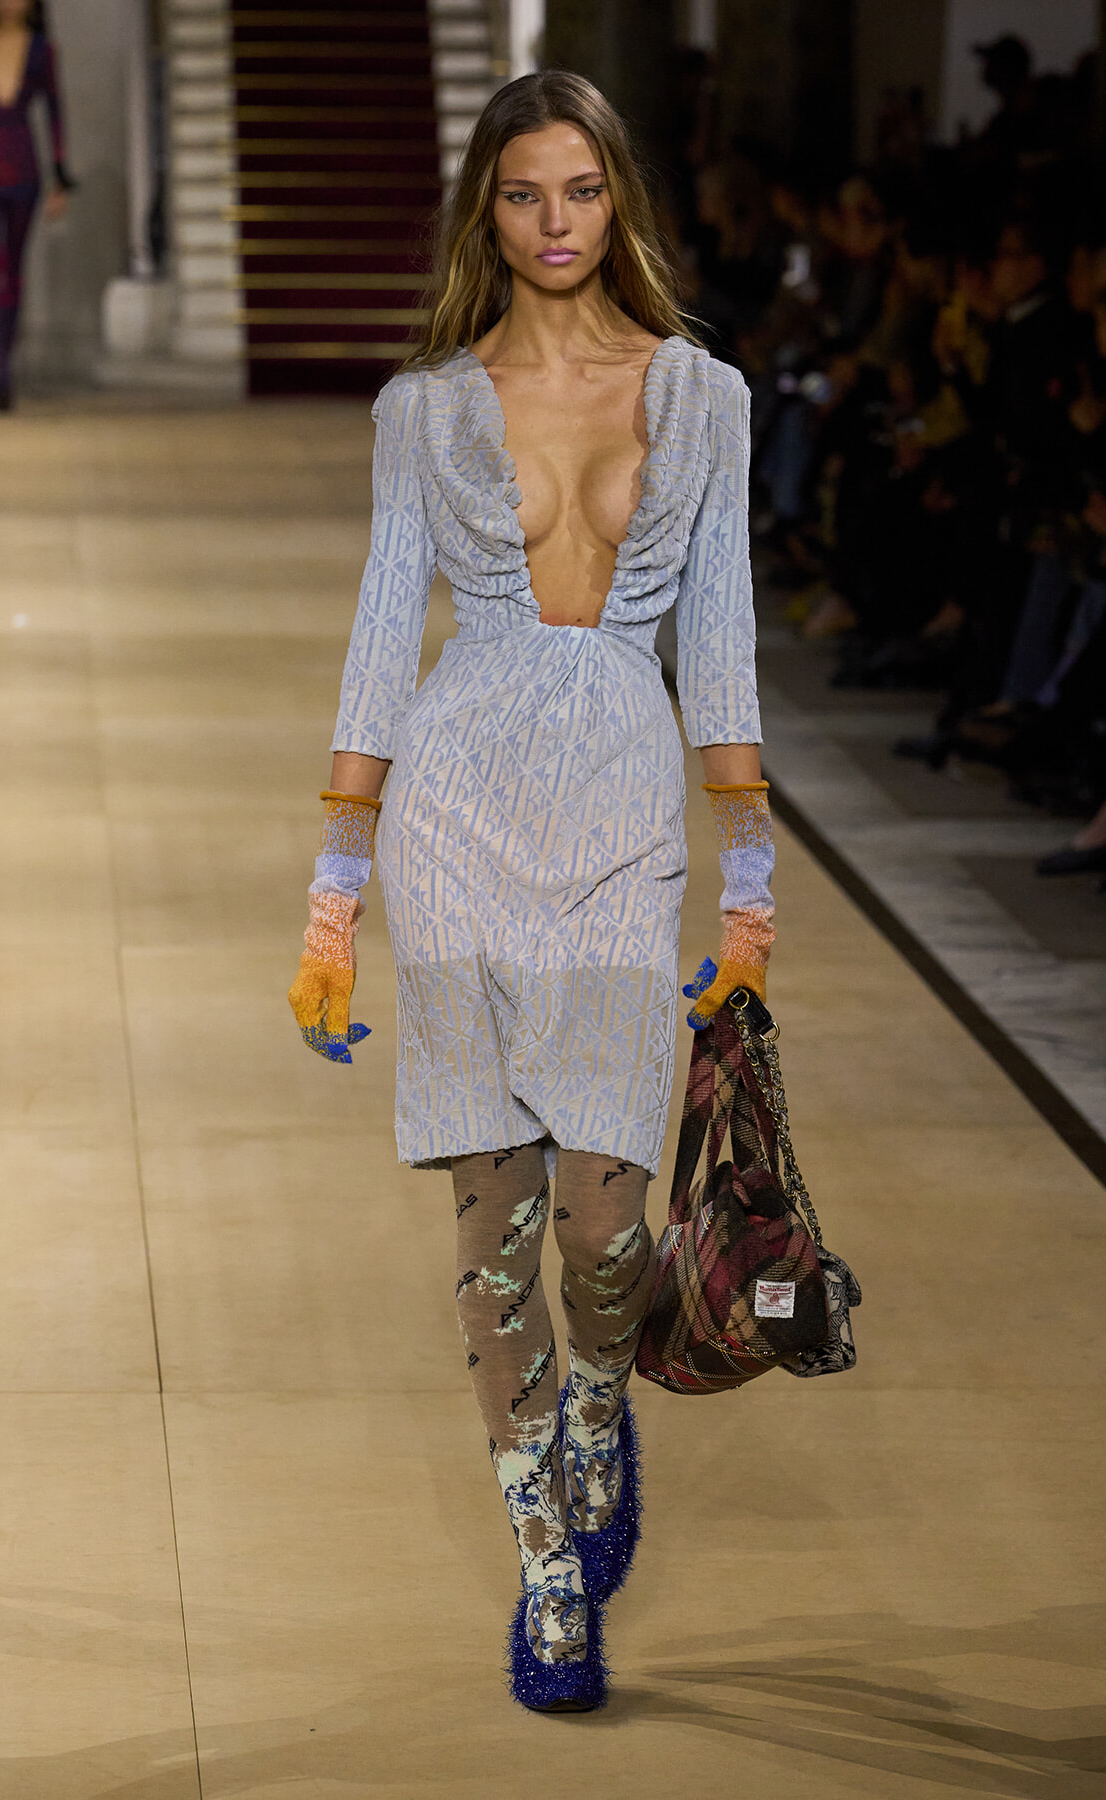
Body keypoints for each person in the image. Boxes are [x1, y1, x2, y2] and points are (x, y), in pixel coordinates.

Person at [286, 71, 773, 1713]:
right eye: (521, 195)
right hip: (461, 813)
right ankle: (548, 1571)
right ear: (482, 213)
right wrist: (337, 886)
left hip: (627, 817)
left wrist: (754, 875)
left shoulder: (702, 394)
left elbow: (718, 636)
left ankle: (601, 1405)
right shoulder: (424, 408)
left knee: (603, 1225)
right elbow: (375, 628)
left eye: (579, 191)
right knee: (492, 1217)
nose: (554, 224)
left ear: (618, 199)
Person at [0, 0, 72, 410]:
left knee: (13, 266)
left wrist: (60, 176)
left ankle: (3, 354)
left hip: (23, 165)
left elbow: (55, 112)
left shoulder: (42, 51)